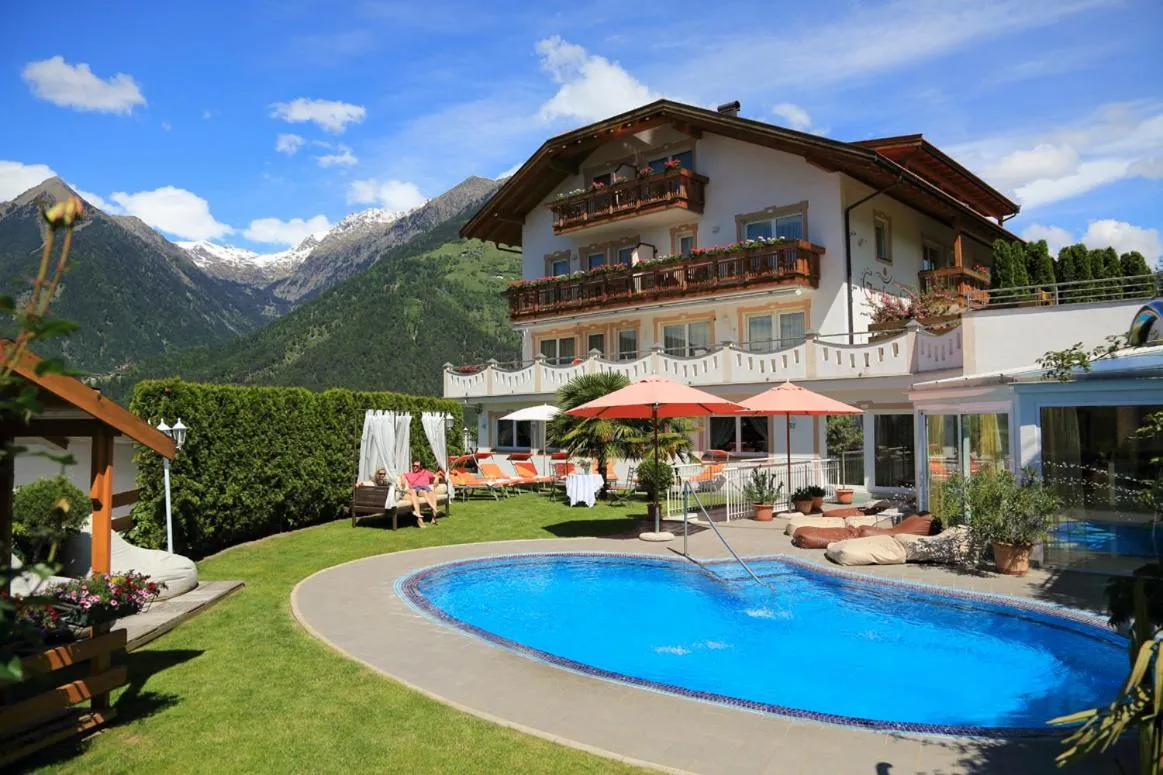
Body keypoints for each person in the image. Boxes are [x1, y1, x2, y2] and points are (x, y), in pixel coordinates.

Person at [402, 460, 440, 527]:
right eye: (413, 465)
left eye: (417, 466)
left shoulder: (426, 472)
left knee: (433, 494)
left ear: (420, 466)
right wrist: (403, 480)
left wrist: (437, 478)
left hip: (426, 488)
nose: (415, 467)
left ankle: (434, 517)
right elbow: (403, 476)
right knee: (424, 492)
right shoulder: (409, 474)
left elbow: (436, 475)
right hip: (417, 489)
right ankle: (433, 509)